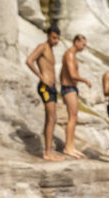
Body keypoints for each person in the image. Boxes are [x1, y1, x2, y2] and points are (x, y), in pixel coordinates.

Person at [26, 25, 63, 161]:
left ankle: (48, 151)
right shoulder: (42, 46)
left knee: (52, 118)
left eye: (58, 38)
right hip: (44, 87)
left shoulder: (51, 50)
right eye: (54, 38)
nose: (56, 41)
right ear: (48, 36)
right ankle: (47, 153)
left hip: (52, 87)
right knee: (51, 117)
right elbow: (29, 60)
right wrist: (41, 77)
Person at [60, 34, 92, 159]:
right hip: (68, 88)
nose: (84, 47)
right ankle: (68, 148)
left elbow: (62, 73)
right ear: (76, 42)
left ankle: (71, 146)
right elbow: (72, 74)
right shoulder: (69, 54)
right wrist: (84, 80)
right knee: (72, 117)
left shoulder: (71, 55)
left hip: (70, 88)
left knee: (74, 117)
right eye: (83, 44)